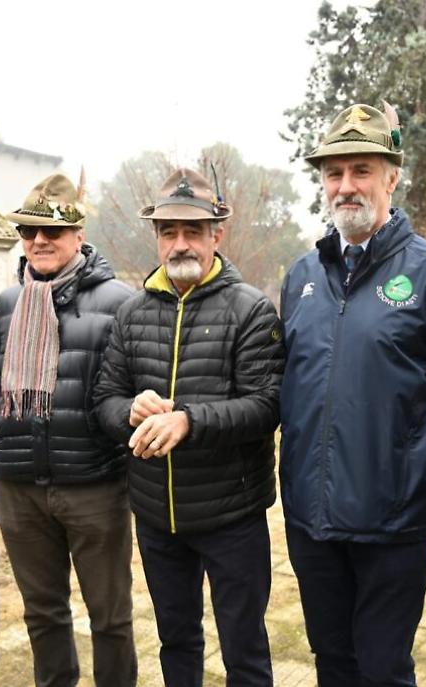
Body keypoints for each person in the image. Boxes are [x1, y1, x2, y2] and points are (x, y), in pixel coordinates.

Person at [279, 103, 426, 686]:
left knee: (384, 669)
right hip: (311, 520)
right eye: (334, 173)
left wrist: (421, 481)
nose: (346, 186)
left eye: (361, 170)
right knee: (332, 664)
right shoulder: (301, 276)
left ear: (392, 176)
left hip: (394, 523)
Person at [93, 168, 283, 686]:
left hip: (232, 514)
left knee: (244, 646)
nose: (181, 243)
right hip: (156, 515)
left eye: (193, 231)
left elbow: (267, 406)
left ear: (215, 235)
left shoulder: (250, 309)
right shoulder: (132, 314)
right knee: (176, 641)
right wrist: (129, 412)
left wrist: (189, 420)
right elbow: (104, 401)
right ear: (156, 237)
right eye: (169, 232)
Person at [0, 173, 137, 687]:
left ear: (79, 235)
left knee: (111, 618)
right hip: (19, 487)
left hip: (93, 485)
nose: (39, 241)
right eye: (29, 232)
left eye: (52, 232)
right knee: (43, 614)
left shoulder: (120, 300)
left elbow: (129, 391)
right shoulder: (9, 304)